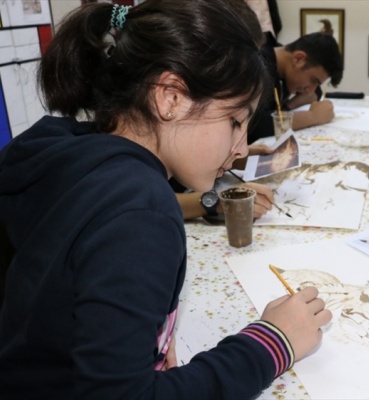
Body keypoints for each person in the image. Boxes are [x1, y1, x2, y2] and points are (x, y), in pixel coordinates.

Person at [0, 1, 332, 399]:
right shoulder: (143, 212)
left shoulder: (61, 147)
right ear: (170, 97)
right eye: (235, 122)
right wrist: (273, 343)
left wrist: (140, 342)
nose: (242, 149)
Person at [247, 31, 344, 144]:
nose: (310, 90)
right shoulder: (254, 66)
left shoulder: (281, 67)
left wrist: (288, 107)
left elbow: (316, 92)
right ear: (299, 59)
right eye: (313, 80)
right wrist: (313, 116)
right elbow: (253, 124)